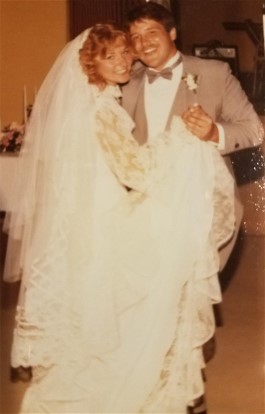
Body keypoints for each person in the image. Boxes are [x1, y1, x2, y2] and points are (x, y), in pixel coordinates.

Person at [4, 24, 235, 413]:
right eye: (109, 56)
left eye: (125, 53)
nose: (123, 61)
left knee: (107, 309)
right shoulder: (101, 111)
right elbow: (137, 172)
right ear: (89, 63)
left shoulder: (92, 106)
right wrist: (179, 134)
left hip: (91, 217)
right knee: (133, 304)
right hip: (105, 222)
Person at [122, 1, 264, 272]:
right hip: (141, 207)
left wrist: (214, 133)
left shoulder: (214, 73)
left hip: (198, 205)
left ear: (172, 32)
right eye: (136, 37)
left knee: (188, 294)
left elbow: (253, 129)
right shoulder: (126, 79)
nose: (144, 43)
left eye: (152, 32)